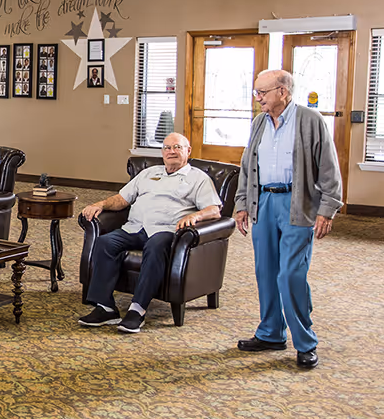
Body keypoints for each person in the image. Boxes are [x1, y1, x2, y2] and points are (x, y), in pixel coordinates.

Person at [234, 69, 342, 370]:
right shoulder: (259, 122)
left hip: (298, 204)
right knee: (266, 271)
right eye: (256, 92)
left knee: (290, 275)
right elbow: (247, 165)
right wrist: (242, 202)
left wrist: (326, 209)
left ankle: (306, 342)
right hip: (264, 201)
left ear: (283, 91)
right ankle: (270, 333)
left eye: (263, 93)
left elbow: (329, 169)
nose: (258, 99)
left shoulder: (310, 120)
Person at [78, 133, 221, 333]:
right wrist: (100, 204)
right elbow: (122, 199)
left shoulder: (198, 178)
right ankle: (105, 307)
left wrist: (196, 217)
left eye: (177, 147)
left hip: (167, 231)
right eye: (167, 148)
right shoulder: (149, 173)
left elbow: (214, 210)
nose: (171, 151)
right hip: (135, 228)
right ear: (162, 152)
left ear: (188, 151)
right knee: (105, 243)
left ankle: (138, 309)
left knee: (155, 245)